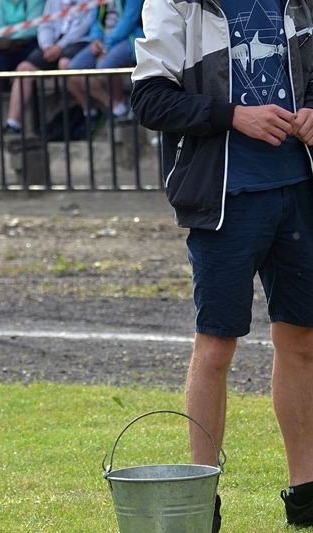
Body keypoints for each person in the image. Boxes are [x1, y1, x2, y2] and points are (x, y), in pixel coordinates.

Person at [131, 0, 313, 529]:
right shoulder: (176, 4)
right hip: (223, 200)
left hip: (299, 189)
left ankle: (306, 494)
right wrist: (234, 115)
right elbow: (149, 99)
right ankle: (200, 502)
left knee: (303, 342)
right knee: (215, 347)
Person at [3, 0, 93, 135]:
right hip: (52, 43)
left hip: (79, 41)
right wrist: (47, 45)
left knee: (65, 65)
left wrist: (61, 46)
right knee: (24, 68)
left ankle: (90, 112)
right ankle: (13, 123)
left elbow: (86, 26)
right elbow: (45, 23)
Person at [65, 0, 143, 121]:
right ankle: (116, 108)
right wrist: (95, 39)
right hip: (103, 40)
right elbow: (96, 21)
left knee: (104, 66)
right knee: (70, 71)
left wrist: (107, 46)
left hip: (129, 38)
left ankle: (120, 105)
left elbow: (129, 21)